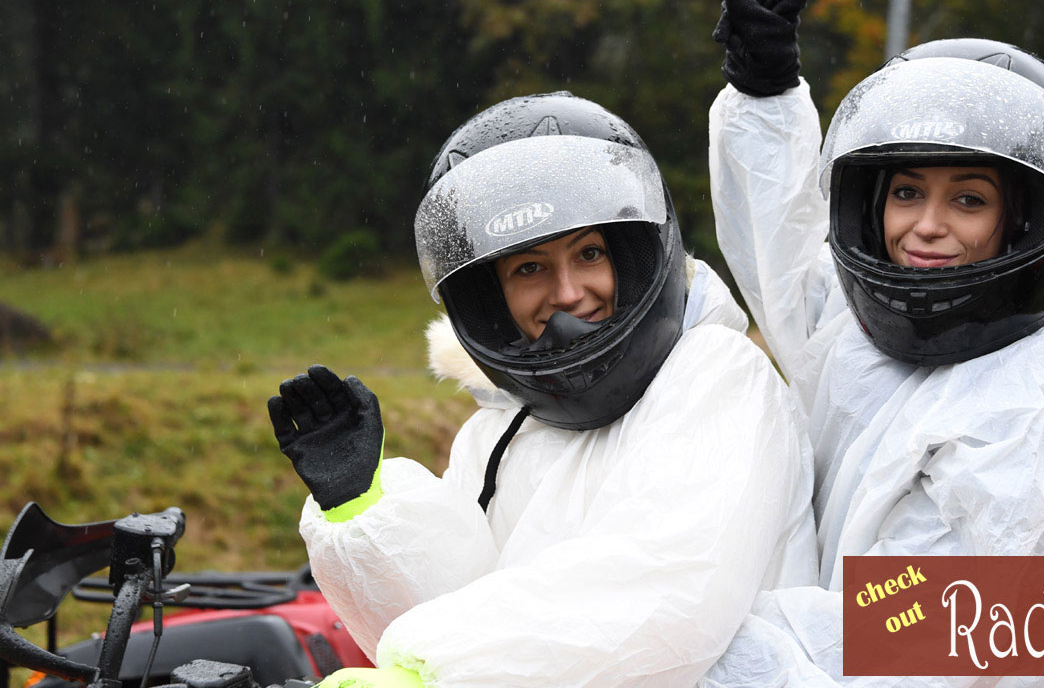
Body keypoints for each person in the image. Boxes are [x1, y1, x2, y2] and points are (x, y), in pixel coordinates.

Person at [698, 0, 1044, 685]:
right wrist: (765, 94)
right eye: (906, 192)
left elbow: (909, 646)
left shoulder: (1020, 405)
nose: (926, 227)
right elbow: (790, 269)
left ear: (1021, 222)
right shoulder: (868, 322)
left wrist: (693, 635)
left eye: (968, 200)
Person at [267, 92, 819, 688]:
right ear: (488, 296)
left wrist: (437, 679)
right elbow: (459, 611)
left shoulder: (717, 376)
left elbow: (663, 594)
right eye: (529, 268)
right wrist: (367, 514)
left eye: (588, 254)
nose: (567, 292)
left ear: (635, 255)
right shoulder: (499, 431)